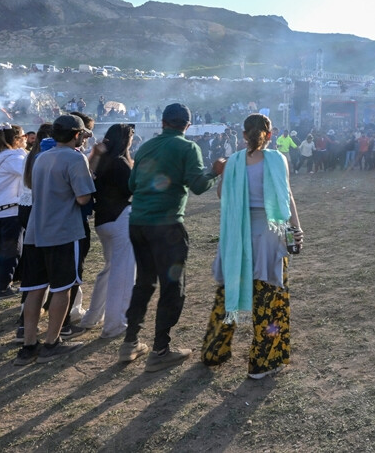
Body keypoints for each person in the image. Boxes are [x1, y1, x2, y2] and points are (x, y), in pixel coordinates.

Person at [203, 113, 303, 379]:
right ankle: (263, 363)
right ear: (270, 135)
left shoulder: (233, 162)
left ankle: (214, 352)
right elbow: (287, 195)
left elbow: (222, 194)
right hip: (269, 235)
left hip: (237, 236)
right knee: (269, 298)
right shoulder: (278, 159)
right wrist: (297, 229)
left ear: (244, 135)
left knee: (228, 295)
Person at [122, 103, 216, 372]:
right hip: (167, 227)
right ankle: (160, 351)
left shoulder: (146, 147)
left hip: (138, 223)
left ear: (162, 122)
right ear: (188, 125)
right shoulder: (188, 148)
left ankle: (130, 343)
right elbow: (199, 185)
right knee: (173, 287)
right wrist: (215, 171)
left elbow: (131, 184)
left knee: (144, 283)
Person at [15, 114, 95, 366]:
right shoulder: (75, 158)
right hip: (62, 231)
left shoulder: (41, 157)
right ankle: (51, 343)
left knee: (35, 289)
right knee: (62, 288)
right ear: (76, 134)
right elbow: (83, 197)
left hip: (36, 231)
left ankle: (29, 345)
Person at [77, 123, 136, 338]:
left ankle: (92, 316)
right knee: (124, 274)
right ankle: (115, 325)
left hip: (103, 220)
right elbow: (133, 189)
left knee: (110, 270)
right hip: (121, 219)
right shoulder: (120, 162)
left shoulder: (101, 160)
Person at [0, 124, 27, 298]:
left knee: (4, 248)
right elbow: (31, 174)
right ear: (15, 139)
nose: (25, 139)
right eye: (22, 136)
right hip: (10, 209)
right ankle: (3, 287)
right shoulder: (13, 158)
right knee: (12, 250)